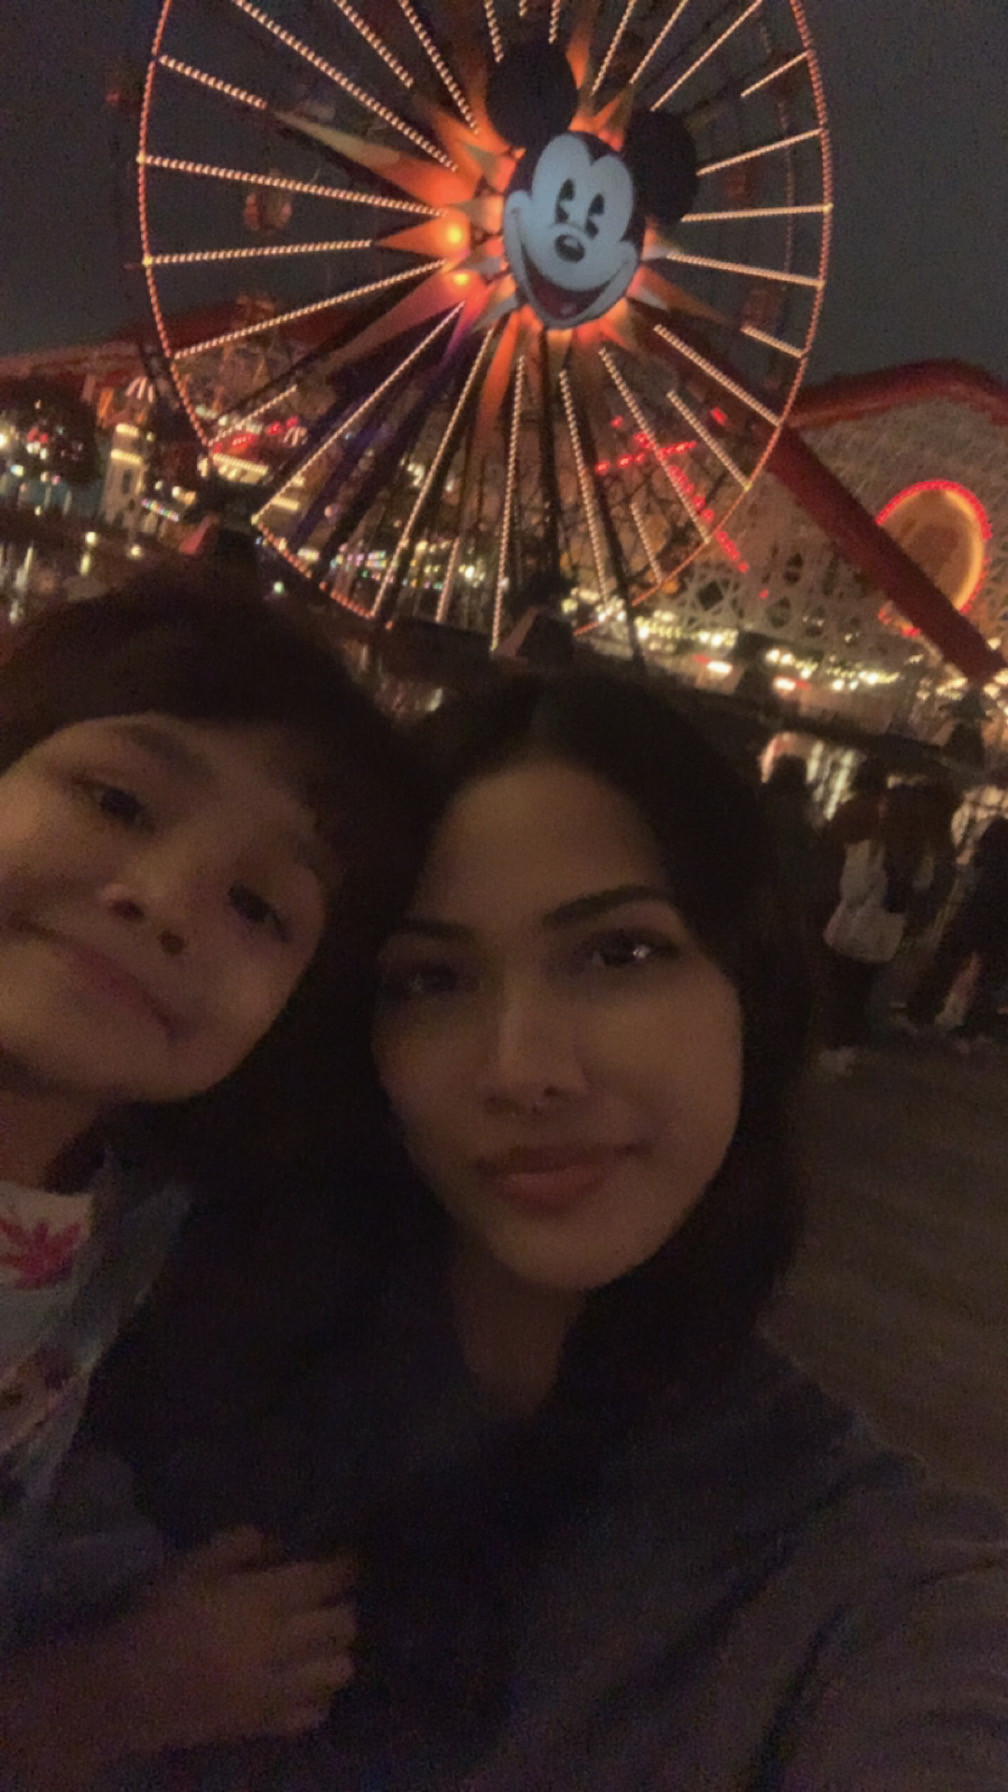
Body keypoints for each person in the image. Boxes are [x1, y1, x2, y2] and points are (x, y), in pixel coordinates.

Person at [100, 668, 1008, 1790]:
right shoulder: (155, 1307)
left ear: (754, 988)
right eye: (431, 979)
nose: (523, 1069)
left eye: (619, 954)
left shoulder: (851, 1576)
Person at [0, 570, 424, 1790]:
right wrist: (105, 1698)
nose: (166, 902)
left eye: (259, 906)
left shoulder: (130, 1224)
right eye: (115, 800)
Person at [903, 814, 1008, 1048]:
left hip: (975, 913)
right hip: (1001, 923)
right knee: (989, 978)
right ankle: (971, 1031)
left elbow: (975, 870)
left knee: (945, 964)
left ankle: (919, 1014)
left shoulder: (994, 843)